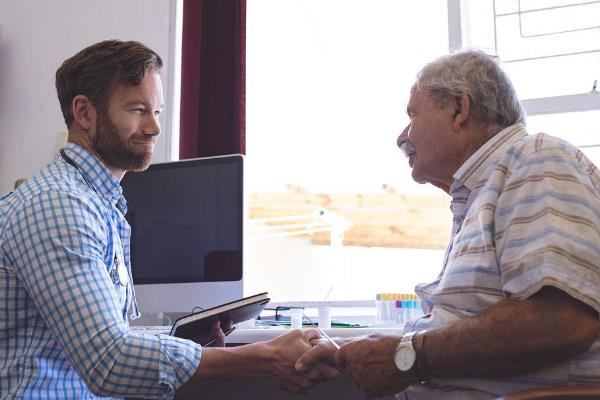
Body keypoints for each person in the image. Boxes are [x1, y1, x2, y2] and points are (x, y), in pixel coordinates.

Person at [0, 40, 337, 399]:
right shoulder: (58, 205)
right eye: (137, 110)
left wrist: (184, 347)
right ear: (84, 112)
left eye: (157, 112)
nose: (154, 128)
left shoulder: (96, 203)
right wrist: (264, 357)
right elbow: (109, 361)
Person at [296, 49, 600, 399]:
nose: (401, 137)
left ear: (460, 109)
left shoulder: (536, 159)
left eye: (412, 114)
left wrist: (405, 357)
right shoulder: (482, 194)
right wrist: (357, 354)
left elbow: (560, 321)